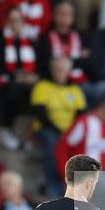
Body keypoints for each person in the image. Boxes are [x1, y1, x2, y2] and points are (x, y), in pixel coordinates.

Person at [30, 56, 88, 195]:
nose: (58, 72)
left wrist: (70, 132)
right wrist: (60, 131)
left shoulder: (75, 89)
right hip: (47, 129)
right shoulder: (42, 86)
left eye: (62, 70)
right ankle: (53, 185)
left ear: (68, 71)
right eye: (56, 69)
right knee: (52, 142)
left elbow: (80, 114)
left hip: (69, 131)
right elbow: (40, 114)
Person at [0, 8, 39, 150]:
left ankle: (33, 135)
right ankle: (5, 126)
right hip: (6, 81)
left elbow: (38, 65)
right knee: (13, 90)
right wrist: (18, 77)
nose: (15, 23)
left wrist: (32, 77)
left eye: (18, 20)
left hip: (28, 81)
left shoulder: (30, 41)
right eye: (12, 20)